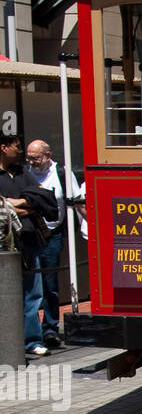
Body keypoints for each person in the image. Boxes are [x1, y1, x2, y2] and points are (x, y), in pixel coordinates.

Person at [0, 133, 58, 357]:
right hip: (5, 245)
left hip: (29, 241)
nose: (21, 152)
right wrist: (27, 204)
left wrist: (14, 204)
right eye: (17, 147)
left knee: (33, 293)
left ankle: (32, 340)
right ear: (4, 147)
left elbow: (45, 200)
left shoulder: (23, 172)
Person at [24, 139, 82, 347]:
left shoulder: (62, 174)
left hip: (53, 234)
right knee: (31, 284)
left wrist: (90, 225)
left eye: (36, 158)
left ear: (48, 156)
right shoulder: (25, 173)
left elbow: (76, 200)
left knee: (49, 283)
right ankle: (30, 330)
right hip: (32, 233)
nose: (32, 162)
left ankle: (49, 328)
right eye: (29, 158)